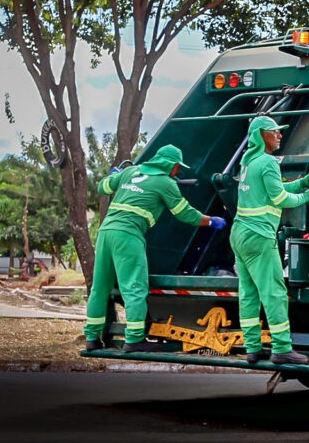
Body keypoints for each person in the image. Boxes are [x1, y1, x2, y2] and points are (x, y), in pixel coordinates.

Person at [84, 144, 226, 353]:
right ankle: (133, 340)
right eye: (178, 167)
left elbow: (102, 187)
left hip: (105, 232)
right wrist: (211, 221)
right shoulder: (166, 183)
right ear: (169, 165)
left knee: (100, 288)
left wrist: (115, 175)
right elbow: (185, 214)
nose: (179, 171)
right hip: (128, 235)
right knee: (134, 288)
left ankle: (92, 338)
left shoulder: (131, 171)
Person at [232, 115, 309, 365]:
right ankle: (281, 348)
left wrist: (300, 183)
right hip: (259, 236)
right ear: (261, 135)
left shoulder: (248, 161)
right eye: (275, 131)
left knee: (248, 293)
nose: (280, 135)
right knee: (274, 293)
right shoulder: (268, 161)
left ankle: (252, 348)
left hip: (240, 234)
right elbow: (280, 200)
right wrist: (308, 196)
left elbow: (274, 191)